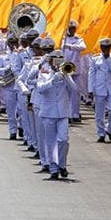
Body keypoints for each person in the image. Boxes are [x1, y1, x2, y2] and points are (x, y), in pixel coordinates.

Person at [36, 50, 77, 179]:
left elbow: (74, 89)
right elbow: (40, 88)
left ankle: (62, 165)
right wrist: (52, 81)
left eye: (60, 59)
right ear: (50, 60)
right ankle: (54, 169)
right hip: (49, 112)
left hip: (63, 112)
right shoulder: (44, 71)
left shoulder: (65, 72)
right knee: (51, 142)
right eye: (55, 59)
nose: (58, 61)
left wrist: (65, 76)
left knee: (63, 140)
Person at [89, 38, 111, 143]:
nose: (106, 49)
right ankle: (101, 133)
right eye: (104, 47)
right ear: (101, 48)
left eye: (108, 47)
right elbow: (91, 74)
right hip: (99, 88)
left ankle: (109, 130)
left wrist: (108, 59)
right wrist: (90, 90)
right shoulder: (95, 59)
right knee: (99, 113)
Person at [0, 33, 22, 140]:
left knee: (21, 110)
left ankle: (21, 126)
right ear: (7, 43)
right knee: (10, 110)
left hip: (19, 85)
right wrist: (6, 69)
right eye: (11, 42)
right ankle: (12, 131)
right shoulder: (3, 56)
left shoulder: (21, 54)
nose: (13, 45)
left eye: (15, 42)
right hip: (9, 85)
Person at [61, 20, 86, 123]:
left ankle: (75, 113)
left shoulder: (78, 39)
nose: (72, 30)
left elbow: (83, 47)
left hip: (76, 68)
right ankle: (67, 113)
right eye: (70, 28)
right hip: (65, 69)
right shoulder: (62, 38)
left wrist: (70, 46)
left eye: (73, 29)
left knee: (75, 92)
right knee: (65, 92)